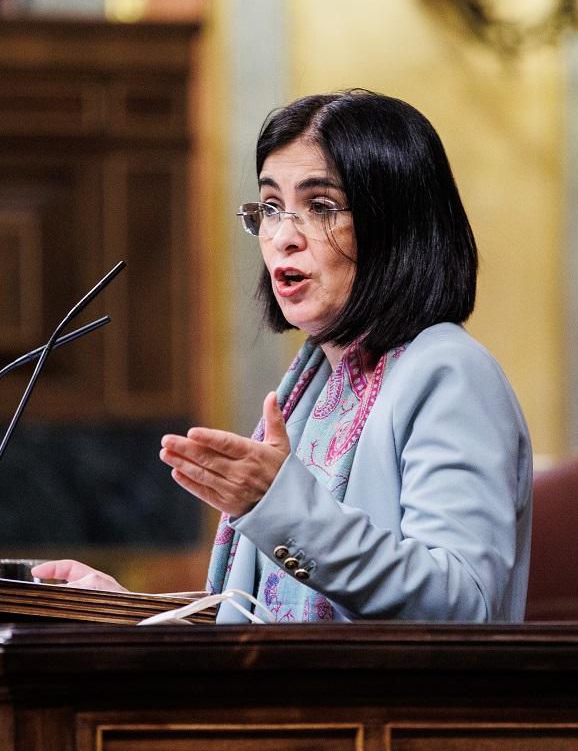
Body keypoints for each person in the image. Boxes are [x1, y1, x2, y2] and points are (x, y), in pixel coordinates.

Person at [35, 90, 532, 622]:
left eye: (319, 207)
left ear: (395, 225)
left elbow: (461, 605)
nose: (282, 238)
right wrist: (132, 615)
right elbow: (262, 622)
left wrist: (280, 506)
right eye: (271, 208)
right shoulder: (315, 384)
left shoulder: (450, 372)